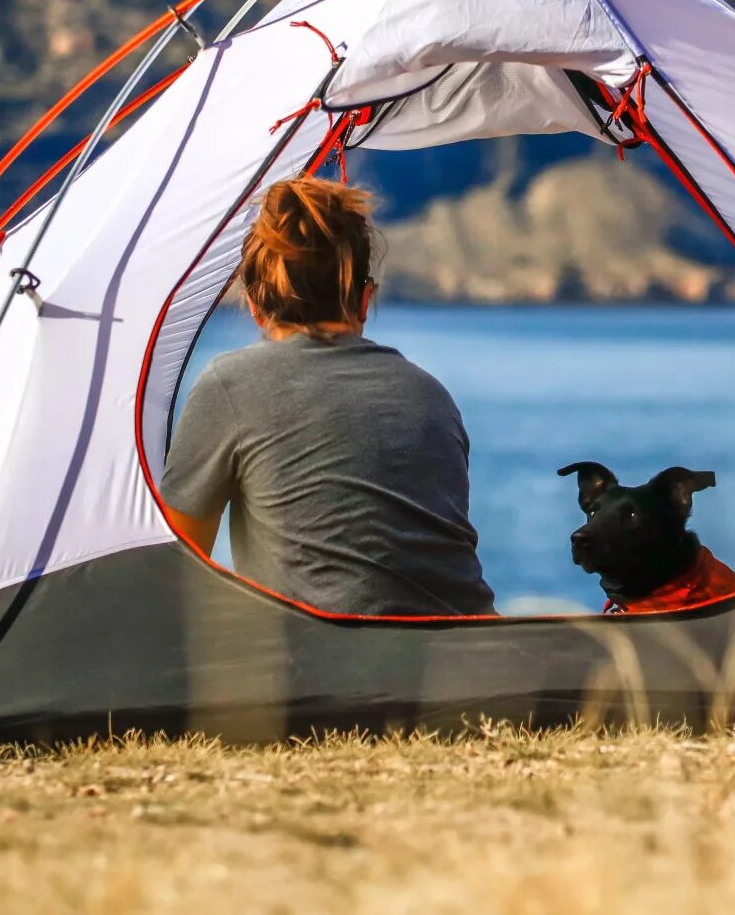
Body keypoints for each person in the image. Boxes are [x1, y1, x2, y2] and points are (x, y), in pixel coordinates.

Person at [161, 177, 495, 617]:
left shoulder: (230, 384)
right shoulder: (430, 395)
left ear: (256, 305)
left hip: (326, 672)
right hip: (473, 660)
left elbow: (180, 567)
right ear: (364, 299)